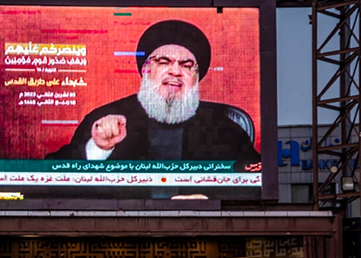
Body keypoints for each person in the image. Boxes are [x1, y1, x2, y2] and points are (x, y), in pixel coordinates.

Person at [47, 20, 260, 170]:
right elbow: (52, 176)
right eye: (164, 62)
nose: (175, 71)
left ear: (196, 77)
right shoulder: (105, 120)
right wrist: (99, 149)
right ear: (146, 70)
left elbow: (255, 179)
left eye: (187, 65)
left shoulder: (225, 129)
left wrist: (208, 199)